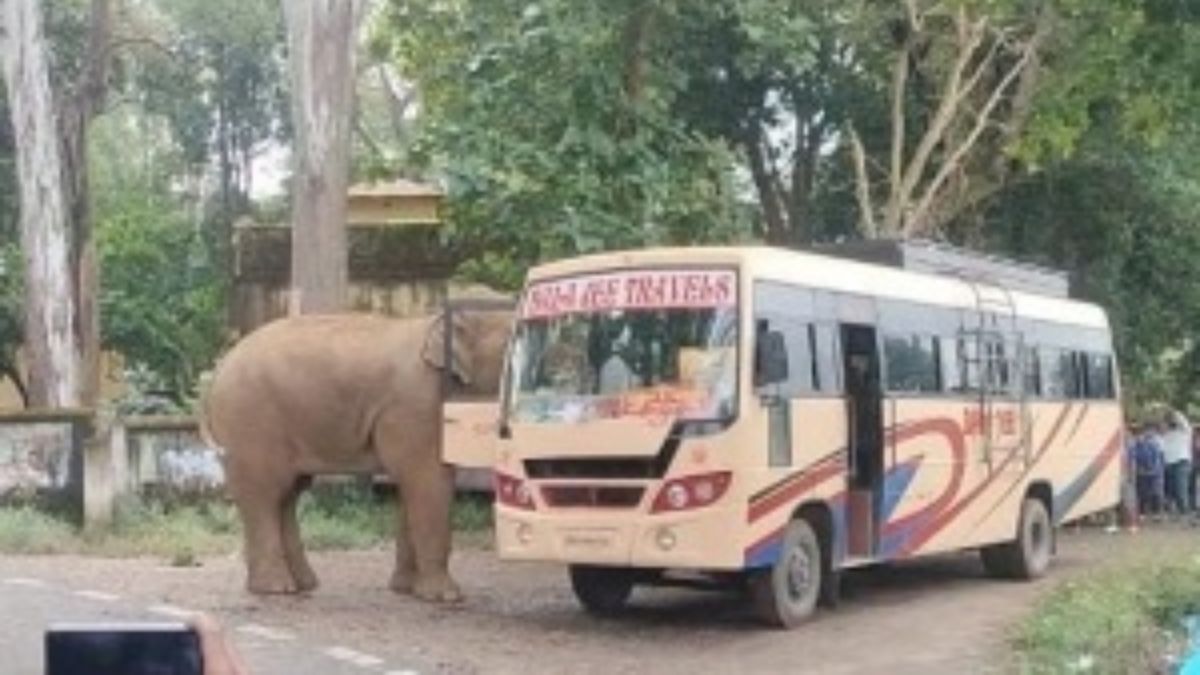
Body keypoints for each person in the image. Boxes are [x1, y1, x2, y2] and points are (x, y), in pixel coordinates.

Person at [1162, 409, 1193, 516]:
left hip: (1182, 462)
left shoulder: (1185, 430)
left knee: (1181, 489)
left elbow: (1182, 420)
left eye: (1171, 420)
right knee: (1171, 490)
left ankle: (1186, 512)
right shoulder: (1167, 433)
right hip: (1169, 463)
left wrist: (1173, 412)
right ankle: (1178, 512)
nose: (1171, 421)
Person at [1132, 423, 1165, 519]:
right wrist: (1139, 469)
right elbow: (1134, 459)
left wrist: (1152, 469)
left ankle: (1156, 513)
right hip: (1141, 473)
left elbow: (1157, 459)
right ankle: (1143, 513)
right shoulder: (1135, 446)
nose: (1139, 437)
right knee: (1142, 493)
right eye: (1137, 435)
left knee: (1155, 493)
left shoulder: (1153, 445)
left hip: (1154, 473)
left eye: (1141, 434)